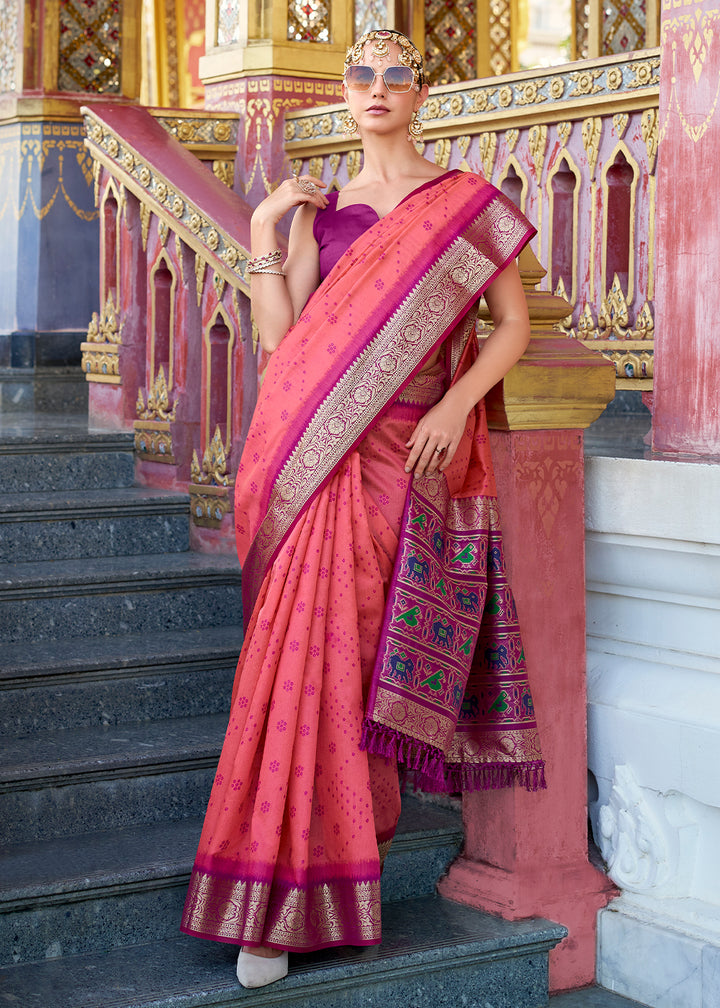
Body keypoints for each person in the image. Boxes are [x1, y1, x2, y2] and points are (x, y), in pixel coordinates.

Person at [181, 28, 545, 989]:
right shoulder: (324, 213)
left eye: (394, 74)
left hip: (404, 455)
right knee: (301, 659)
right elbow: (282, 342)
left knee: (350, 663)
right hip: (313, 459)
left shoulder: (463, 207)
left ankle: (335, 873)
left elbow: (510, 326)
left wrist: (461, 403)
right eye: (360, 75)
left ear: (420, 94)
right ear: (343, 96)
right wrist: (264, 231)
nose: (376, 88)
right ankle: (276, 898)